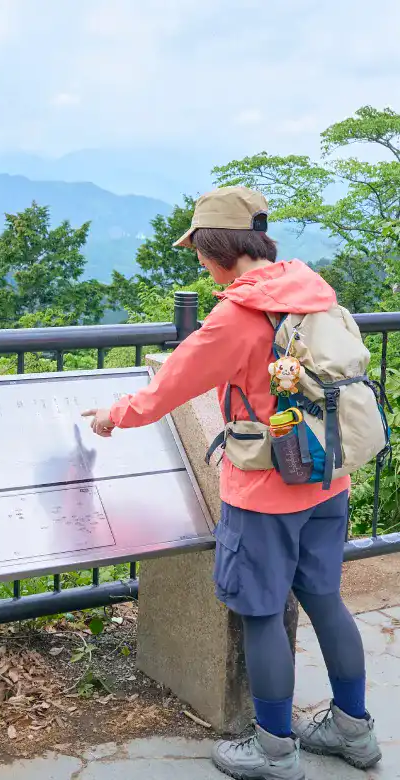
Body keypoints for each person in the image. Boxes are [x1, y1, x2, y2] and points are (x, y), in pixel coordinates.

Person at [82, 186, 382, 780]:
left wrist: (113, 414)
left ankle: (274, 750)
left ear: (215, 249)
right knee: (325, 598)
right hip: (327, 478)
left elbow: (169, 387)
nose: (198, 261)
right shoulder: (312, 293)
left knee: (262, 612)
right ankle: (355, 732)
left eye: (198, 249)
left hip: (266, 490)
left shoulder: (237, 316)